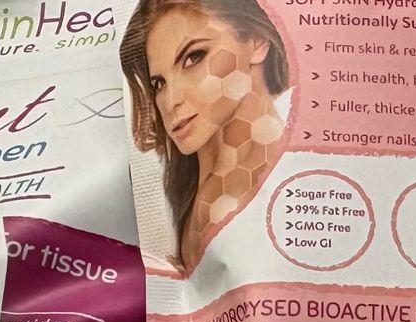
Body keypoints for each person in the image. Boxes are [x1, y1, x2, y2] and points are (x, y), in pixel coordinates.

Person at [122, 0, 290, 273]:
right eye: (158, 83)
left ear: (257, 40)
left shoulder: (273, 188)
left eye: (194, 57)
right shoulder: (189, 185)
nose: (170, 101)